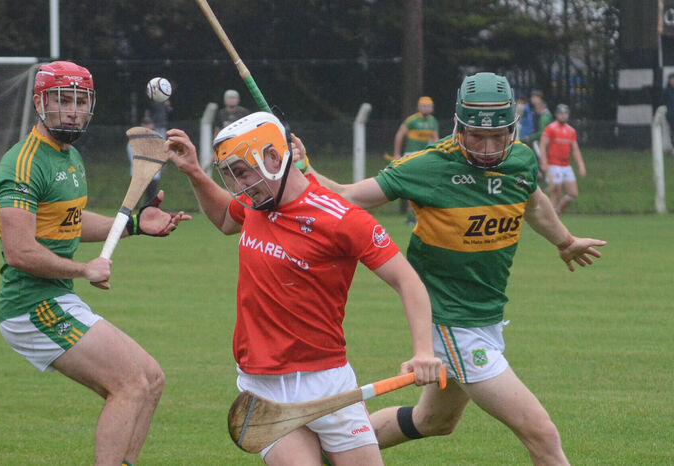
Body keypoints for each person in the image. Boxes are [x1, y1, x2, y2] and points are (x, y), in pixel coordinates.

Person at [298, 72, 606, 466]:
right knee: (541, 433)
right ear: (458, 126)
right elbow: (345, 197)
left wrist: (564, 241)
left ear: (513, 129)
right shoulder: (427, 167)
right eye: (477, 135)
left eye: (499, 136)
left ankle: (324, 453)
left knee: (434, 420)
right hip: (451, 322)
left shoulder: (521, 160)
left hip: (487, 316)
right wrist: (305, 167)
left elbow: (533, 202)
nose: (488, 147)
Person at [165, 112, 443, 465]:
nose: (240, 186)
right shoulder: (254, 203)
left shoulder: (342, 218)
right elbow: (223, 219)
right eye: (231, 175)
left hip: (328, 380)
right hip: (262, 386)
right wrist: (193, 171)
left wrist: (423, 351)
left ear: (274, 157)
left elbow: (408, 281)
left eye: (244, 172)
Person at [0, 61, 191, 466]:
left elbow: (71, 223)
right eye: (62, 101)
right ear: (39, 104)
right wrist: (84, 269)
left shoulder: (69, 157)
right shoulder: (24, 163)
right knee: (130, 383)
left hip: (55, 299)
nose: (72, 111)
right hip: (31, 305)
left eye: (80, 102)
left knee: (151, 380)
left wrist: (134, 224)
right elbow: (19, 251)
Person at [391, 96, 438, 225]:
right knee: (413, 185)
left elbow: (435, 139)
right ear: (419, 107)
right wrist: (397, 153)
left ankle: (418, 215)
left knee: (424, 185)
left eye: (429, 106)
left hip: (425, 156)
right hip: (411, 155)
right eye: (424, 106)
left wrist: (436, 155)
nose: (426, 108)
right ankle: (411, 216)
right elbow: (400, 134)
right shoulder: (412, 120)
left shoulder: (433, 121)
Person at [539, 104, 585, 215]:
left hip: (566, 166)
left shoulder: (571, 131)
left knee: (573, 193)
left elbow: (575, 149)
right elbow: (542, 145)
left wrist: (581, 165)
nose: (563, 116)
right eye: (561, 113)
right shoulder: (551, 128)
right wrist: (543, 161)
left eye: (565, 114)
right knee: (556, 192)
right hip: (554, 165)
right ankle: (548, 217)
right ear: (556, 115)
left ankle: (556, 213)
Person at [126, 116, 162, 203]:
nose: (148, 126)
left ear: (152, 126)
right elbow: (132, 155)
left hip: (152, 173)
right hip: (138, 173)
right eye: (145, 124)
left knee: (151, 196)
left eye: (149, 124)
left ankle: (149, 211)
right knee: (135, 198)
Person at [523, 89, 553, 180]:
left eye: (535, 97)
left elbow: (542, 131)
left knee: (541, 157)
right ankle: (540, 175)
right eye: (532, 97)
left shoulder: (544, 115)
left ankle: (549, 179)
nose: (533, 99)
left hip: (540, 140)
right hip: (537, 139)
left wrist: (531, 137)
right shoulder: (532, 111)